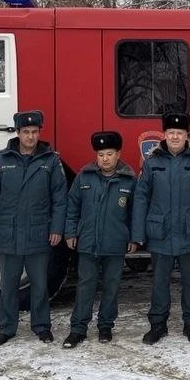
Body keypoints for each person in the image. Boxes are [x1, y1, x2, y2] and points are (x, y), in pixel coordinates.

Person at [0, 110, 67, 346]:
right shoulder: (1, 160)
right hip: (9, 233)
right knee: (8, 285)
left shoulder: (51, 160)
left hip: (39, 233)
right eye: (26, 132)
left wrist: (57, 228)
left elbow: (60, 198)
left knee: (40, 285)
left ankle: (41, 326)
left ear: (40, 132)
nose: (30, 136)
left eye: (34, 132)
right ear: (17, 133)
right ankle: (6, 328)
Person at [132, 112, 190, 345]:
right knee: (160, 282)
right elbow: (141, 198)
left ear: (186, 136)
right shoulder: (152, 163)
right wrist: (138, 232)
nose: (175, 137)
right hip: (160, 232)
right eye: (171, 133)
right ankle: (158, 325)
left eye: (179, 133)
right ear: (165, 135)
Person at [62, 131, 138, 347]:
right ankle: (78, 329)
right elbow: (72, 207)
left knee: (111, 286)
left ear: (118, 154)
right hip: (87, 243)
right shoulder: (84, 177)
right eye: (101, 154)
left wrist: (134, 237)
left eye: (110, 154)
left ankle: (105, 326)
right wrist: (70, 232)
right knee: (85, 286)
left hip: (115, 244)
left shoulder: (129, 181)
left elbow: (135, 213)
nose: (105, 158)